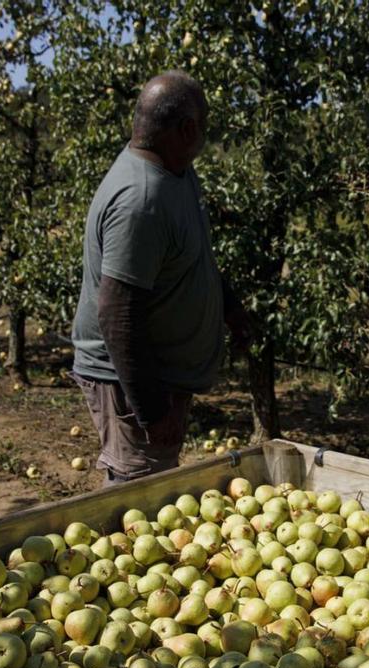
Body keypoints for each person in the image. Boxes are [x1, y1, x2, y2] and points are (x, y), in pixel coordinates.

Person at [70, 71, 247, 485]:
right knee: (140, 493)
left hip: (161, 371)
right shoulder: (141, 202)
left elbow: (193, 256)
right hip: (131, 378)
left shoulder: (177, 171)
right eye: (203, 127)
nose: (205, 137)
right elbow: (117, 314)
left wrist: (229, 307)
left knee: (153, 491)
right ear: (186, 129)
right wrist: (149, 410)